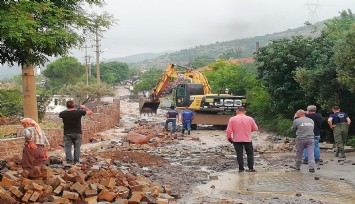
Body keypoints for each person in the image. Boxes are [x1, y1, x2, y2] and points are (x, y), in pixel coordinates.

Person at [226, 107, 258, 172]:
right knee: (250, 153)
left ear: (237, 111)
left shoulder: (232, 119)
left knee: (239, 154)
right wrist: (248, 130)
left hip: (237, 140)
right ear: (245, 111)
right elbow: (255, 128)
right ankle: (251, 168)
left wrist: (229, 138)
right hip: (247, 139)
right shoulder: (250, 119)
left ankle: (241, 169)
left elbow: (229, 131)